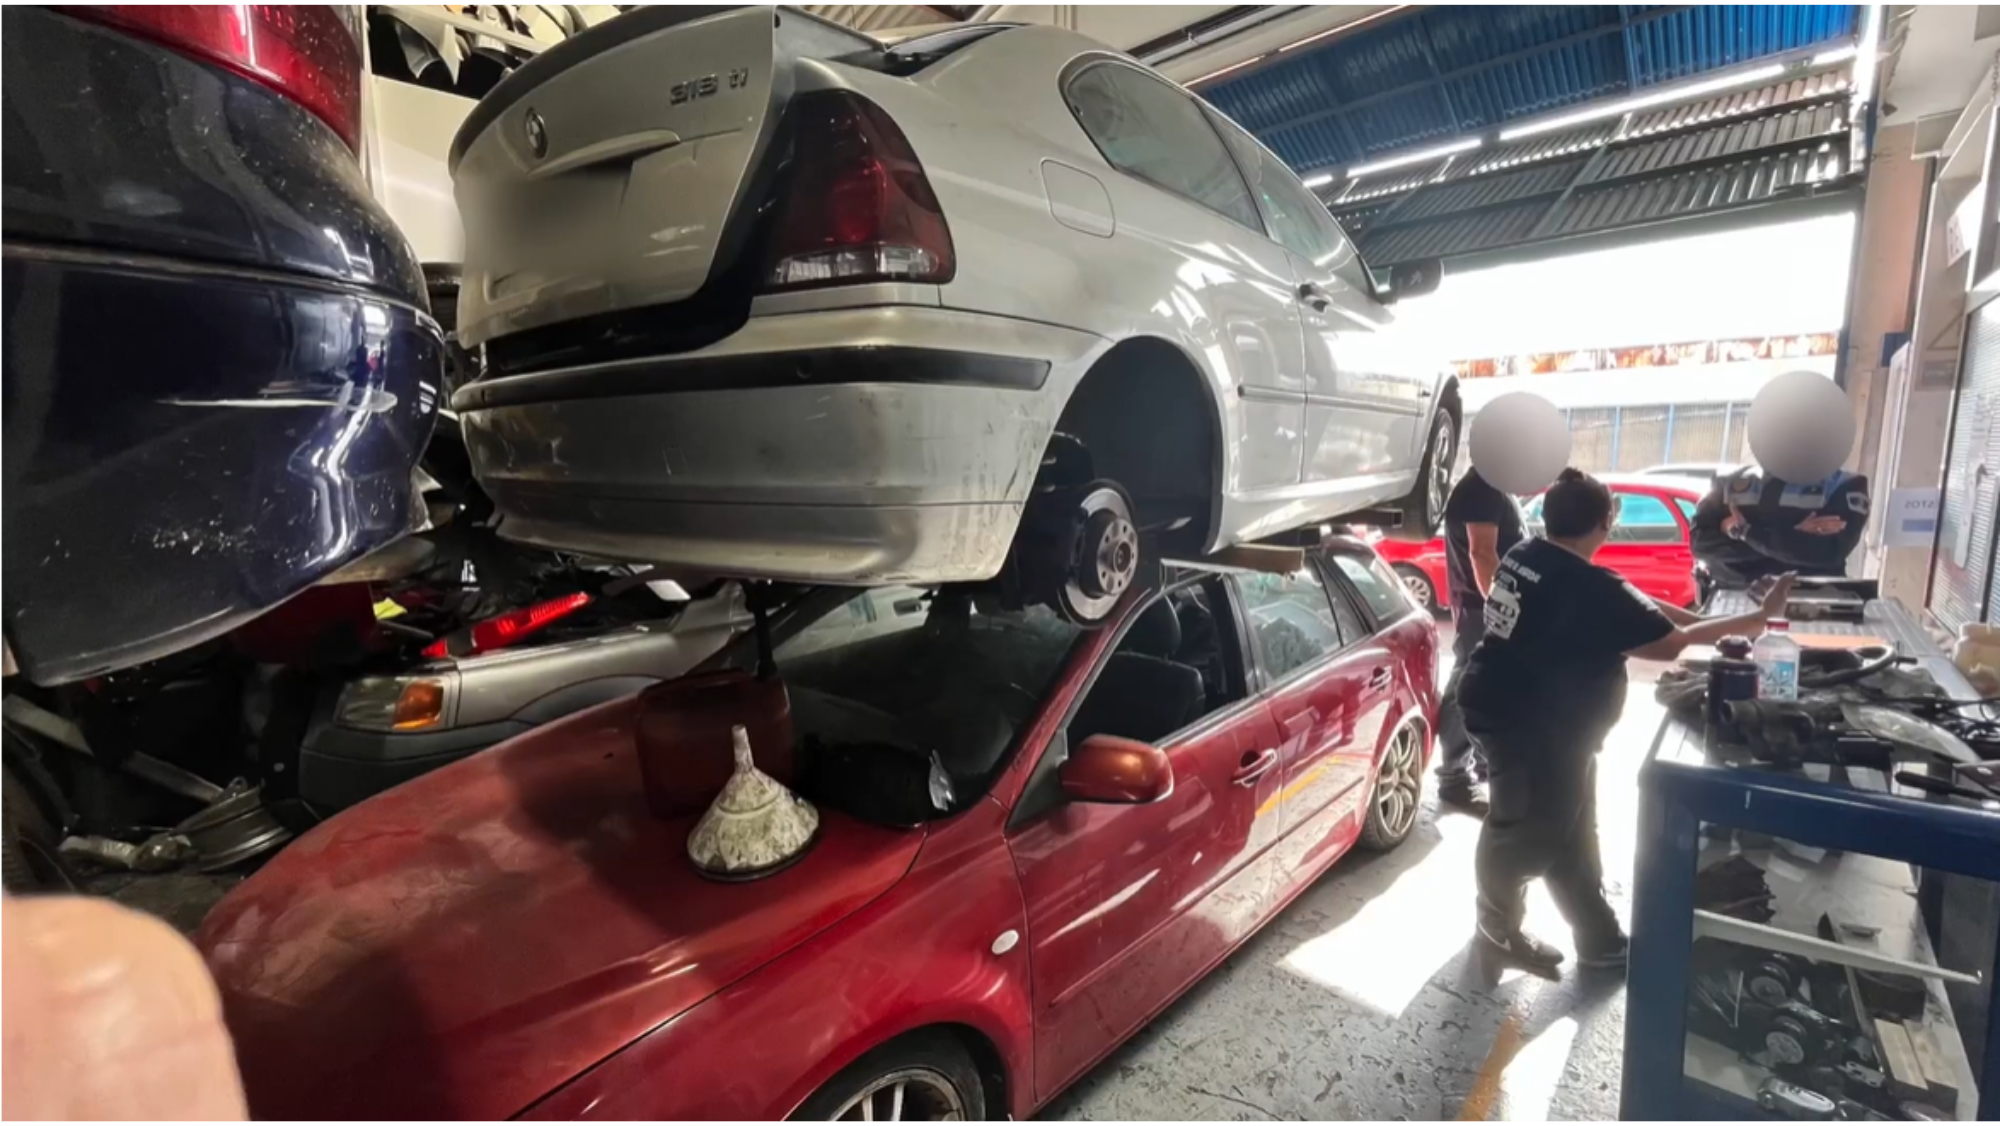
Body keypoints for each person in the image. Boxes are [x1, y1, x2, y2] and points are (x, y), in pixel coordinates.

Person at [1459, 469, 1794, 971]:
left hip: (1534, 721)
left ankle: (1599, 939)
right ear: (1605, 523)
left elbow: (1642, 608)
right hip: (1527, 728)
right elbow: (1668, 643)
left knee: (1570, 833)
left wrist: (1723, 619)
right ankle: (1496, 930)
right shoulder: (1587, 585)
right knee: (1525, 835)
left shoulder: (1527, 555)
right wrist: (1756, 620)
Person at [1435, 466, 1528, 815]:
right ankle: (1454, 778)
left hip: (1487, 609)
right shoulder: (1481, 490)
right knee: (1468, 685)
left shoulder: (1495, 486)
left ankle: (1481, 766)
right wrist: (1504, 607)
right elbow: (1482, 555)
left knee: (1484, 685)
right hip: (1482, 611)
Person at [1690, 466, 1869, 591]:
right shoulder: (1726, 481)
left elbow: (1828, 552)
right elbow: (1700, 544)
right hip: (1732, 601)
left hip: (1812, 603)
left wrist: (1743, 532)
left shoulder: (1846, 484)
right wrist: (1794, 535)